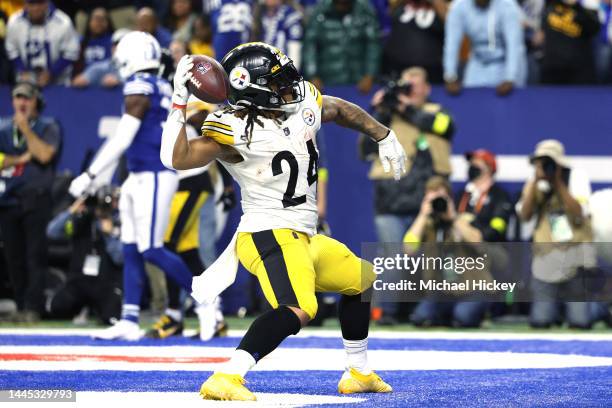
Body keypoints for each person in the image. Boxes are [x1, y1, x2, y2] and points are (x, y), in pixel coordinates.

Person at [161, 42, 406, 400]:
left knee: (362, 279)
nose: (289, 88)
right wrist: (179, 102)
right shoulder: (233, 128)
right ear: (254, 90)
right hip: (267, 231)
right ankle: (227, 376)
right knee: (298, 308)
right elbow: (177, 158)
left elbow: (337, 108)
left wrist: (382, 133)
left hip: (304, 235)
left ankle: (358, 371)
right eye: (277, 84)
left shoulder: (302, 102)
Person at [68, 31, 205, 340]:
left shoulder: (140, 85)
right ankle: (129, 319)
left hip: (155, 172)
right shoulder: (156, 83)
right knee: (131, 249)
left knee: (152, 249)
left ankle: (207, 303)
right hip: (140, 172)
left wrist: (90, 176)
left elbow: (123, 137)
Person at [359, 67, 454, 324]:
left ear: (426, 88)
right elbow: (365, 149)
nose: (409, 90)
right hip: (391, 198)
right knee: (393, 255)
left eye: (414, 85)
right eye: (405, 85)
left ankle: (427, 312)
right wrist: (379, 112)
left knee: (433, 256)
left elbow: (444, 128)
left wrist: (406, 108)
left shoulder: (438, 113)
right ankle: (384, 312)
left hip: (427, 196)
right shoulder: (386, 117)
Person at [407, 151, 512, 327]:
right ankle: (448, 313)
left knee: (462, 318)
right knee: (420, 318)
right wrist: (423, 215)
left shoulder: (492, 199)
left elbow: (481, 240)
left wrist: (455, 219)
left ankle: (474, 310)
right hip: (443, 287)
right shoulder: (456, 200)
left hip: (474, 278)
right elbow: (408, 249)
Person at [0, 82, 62, 323]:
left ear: (36, 101)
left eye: (27, 98)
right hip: (8, 199)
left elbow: (45, 154)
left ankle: (33, 308)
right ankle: (19, 304)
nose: (22, 103)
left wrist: (26, 130)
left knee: (35, 255)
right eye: (18, 98)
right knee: (13, 256)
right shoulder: (3, 127)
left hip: (36, 197)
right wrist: (22, 158)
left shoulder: (48, 126)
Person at [517, 139, 595, 329]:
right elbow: (524, 215)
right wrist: (536, 181)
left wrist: (558, 182)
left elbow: (580, 213)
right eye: (540, 161)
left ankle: (598, 309)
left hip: (575, 255)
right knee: (540, 321)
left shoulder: (575, 177)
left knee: (580, 322)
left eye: (548, 161)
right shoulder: (535, 180)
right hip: (547, 257)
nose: (544, 166)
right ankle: (555, 310)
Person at [45, 186, 123, 324]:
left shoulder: (118, 222)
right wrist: (71, 211)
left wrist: (109, 234)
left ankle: (97, 310)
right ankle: (82, 309)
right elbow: (52, 232)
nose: (100, 209)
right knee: (55, 309)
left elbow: (120, 258)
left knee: (112, 318)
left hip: (105, 283)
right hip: (78, 281)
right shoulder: (82, 220)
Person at [443, 0, 527, 96]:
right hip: (478, 61)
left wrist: (510, 77)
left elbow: (514, 46)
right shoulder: (459, 6)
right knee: (470, 99)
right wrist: (450, 76)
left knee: (508, 103)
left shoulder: (508, 5)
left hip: (504, 61)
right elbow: (451, 43)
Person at [302, 0, 381, 93]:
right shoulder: (320, 11)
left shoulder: (364, 9)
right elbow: (310, 45)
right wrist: (312, 75)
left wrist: (370, 75)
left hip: (358, 82)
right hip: (326, 82)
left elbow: (373, 44)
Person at [5, 0, 80, 86]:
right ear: (25, 4)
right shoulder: (14, 21)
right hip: (25, 81)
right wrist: (22, 70)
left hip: (58, 81)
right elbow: (11, 49)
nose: (36, 8)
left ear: (47, 3)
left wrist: (52, 73)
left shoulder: (63, 22)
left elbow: (71, 52)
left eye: (40, 3)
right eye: (31, 3)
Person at [383, 0, 449, 83]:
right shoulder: (401, 5)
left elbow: (451, 24)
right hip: (396, 65)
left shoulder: (439, 7)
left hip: (430, 68)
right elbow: (387, 13)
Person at [539, 0, 600, 84]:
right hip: (552, 67)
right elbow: (543, 29)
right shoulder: (550, 6)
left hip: (579, 69)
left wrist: (576, 6)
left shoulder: (587, 6)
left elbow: (594, 29)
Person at [259, 0, 304, 69]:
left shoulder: (290, 15)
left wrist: (291, 72)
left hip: (283, 70)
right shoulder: (259, 14)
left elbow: (295, 47)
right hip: (264, 68)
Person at [74, 7, 114, 75]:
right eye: (96, 19)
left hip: (106, 80)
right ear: (89, 22)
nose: (99, 22)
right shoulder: (81, 43)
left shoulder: (113, 42)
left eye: (102, 19)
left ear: (107, 22)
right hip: (83, 81)